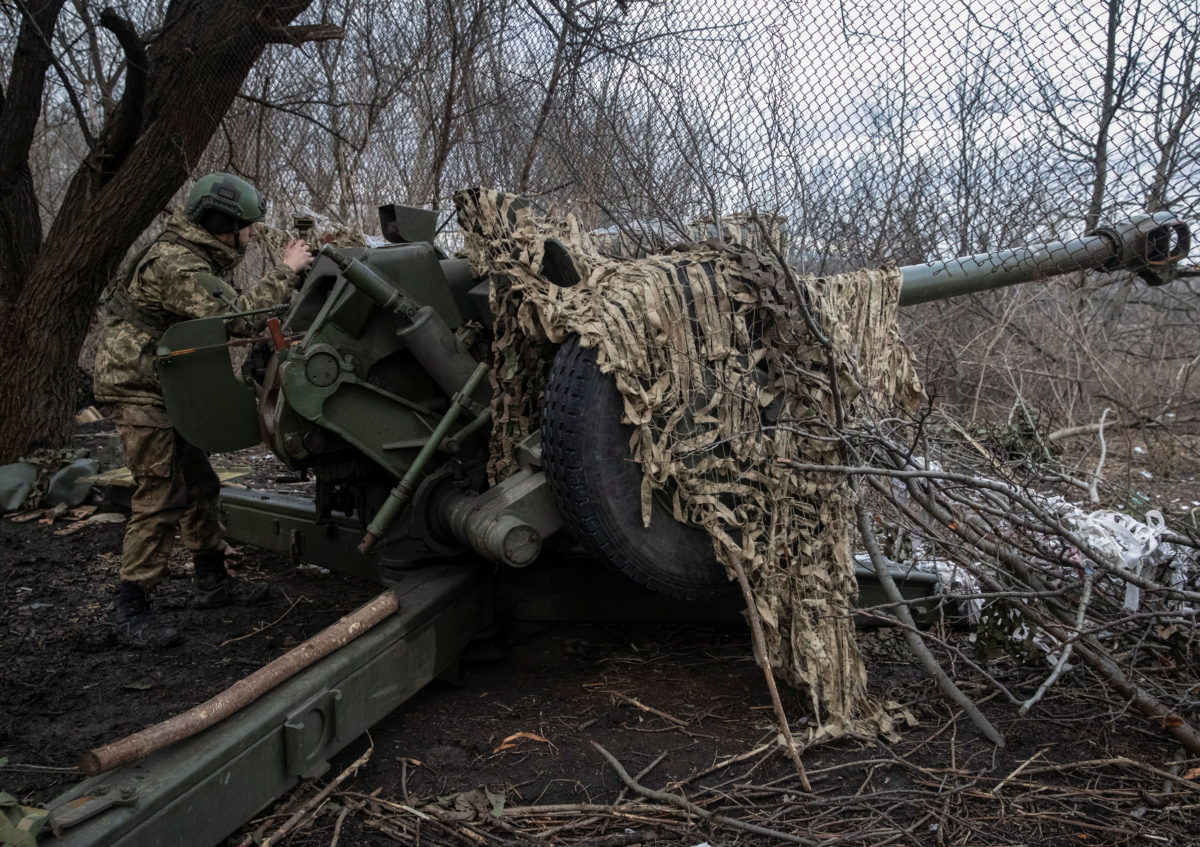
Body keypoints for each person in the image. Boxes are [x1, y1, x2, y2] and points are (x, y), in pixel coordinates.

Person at [93, 172, 314, 648]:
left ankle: (213, 583)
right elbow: (236, 317)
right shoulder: (176, 263)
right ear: (221, 225)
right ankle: (130, 608)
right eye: (246, 226)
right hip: (138, 388)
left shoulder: (192, 255)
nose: (251, 234)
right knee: (161, 494)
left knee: (201, 484)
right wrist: (286, 270)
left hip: (165, 385)